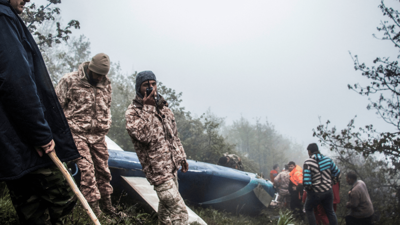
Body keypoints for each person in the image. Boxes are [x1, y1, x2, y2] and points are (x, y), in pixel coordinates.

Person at [0, 0, 81, 224]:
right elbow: (17, 83)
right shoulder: (3, 18)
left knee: (30, 207)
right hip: (25, 139)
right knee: (59, 197)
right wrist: (41, 135)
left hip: (11, 142)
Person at [55, 53, 122, 218]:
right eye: (97, 74)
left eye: (103, 75)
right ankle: (94, 212)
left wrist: (106, 123)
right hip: (77, 133)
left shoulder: (106, 84)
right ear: (90, 69)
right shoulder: (70, 81)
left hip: (98, 136)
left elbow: (106, 106)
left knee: (104, 172)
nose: (99, 78)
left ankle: (108, 208)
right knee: (87, 171)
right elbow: (55, 107)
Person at [125, 71, 189, 225]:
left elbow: (173, 136)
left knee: (166, 213)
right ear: (138, 88)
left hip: (171, 168)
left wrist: (182, 156)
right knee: (180, 213)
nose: (151, 87)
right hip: (158, 172)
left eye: (153, 84)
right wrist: (148, 108)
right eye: (146, 85)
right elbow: (144, 137)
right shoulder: (133, 112)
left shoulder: (164, 107)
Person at [303, 143, 340, 225]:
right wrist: (331, 181)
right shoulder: (328, 160)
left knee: (308, 209)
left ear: (309, 151)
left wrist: (310, 193)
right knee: (330, 211)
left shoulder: (308, 162)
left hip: (316, 192)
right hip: (328, 191)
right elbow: (337, 172)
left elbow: (307, 182)